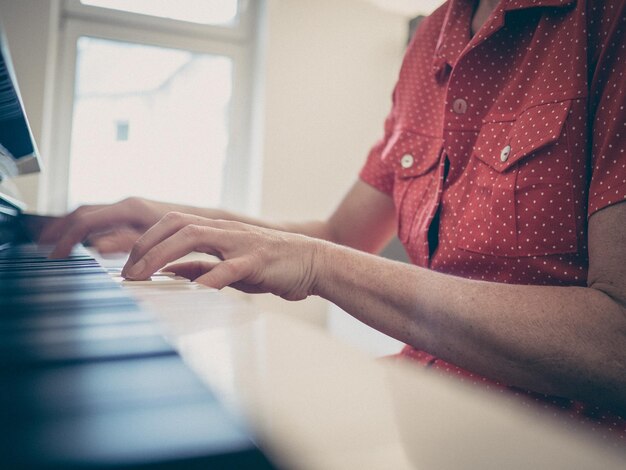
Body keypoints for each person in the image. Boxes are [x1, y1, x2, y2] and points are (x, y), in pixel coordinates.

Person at [41, 0, 625, 436]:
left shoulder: (605, 21)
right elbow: (341, 236)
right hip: (418, 419)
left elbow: (615, 338)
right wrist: (177, 220)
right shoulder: (431, 42)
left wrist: (319, 265)